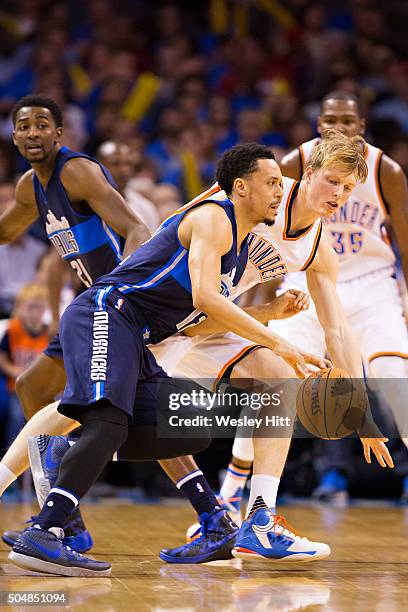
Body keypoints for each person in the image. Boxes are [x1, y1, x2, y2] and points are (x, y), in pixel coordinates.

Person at [8, 143, 328, 576]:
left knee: (188, 426)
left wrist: (269, 313)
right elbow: (205, 298)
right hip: (107, 312)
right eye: (271, 183)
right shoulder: (215, 217)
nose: (279, 191)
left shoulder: (237, 252)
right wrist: (280, 343)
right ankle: (44, 531)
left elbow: (197, 324)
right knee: (107, 420)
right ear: (240, 187)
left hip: (139, 337)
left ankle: (66, 452)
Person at [0, 93, 150, 551]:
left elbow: (137, 228)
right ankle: (69, 517)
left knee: (129, 416)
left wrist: (121, 290)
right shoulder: (31, 186)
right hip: (86, 309)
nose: (32, 133)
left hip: (117, 305)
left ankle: (209, 511)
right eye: (23, 126)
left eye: (42, 125)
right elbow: (5, 232)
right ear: (14, 134)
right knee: (31, 387)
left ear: (59, 133)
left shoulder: (77, 171)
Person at [273, 90, 408, 503]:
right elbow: (269, 238)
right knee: (274, 379)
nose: (339, 128)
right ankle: (234, 493)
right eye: (331, 119)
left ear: (361, 127)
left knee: (392, 377)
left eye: (348, 121)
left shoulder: (386, 169)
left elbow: (405, 241)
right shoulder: (294, 163)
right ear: (319, 124)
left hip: (371, 280)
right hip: (307, 279)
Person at [0, 283, 49, 448]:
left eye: (39, 307)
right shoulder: (12, 330)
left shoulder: (49, 334)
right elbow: (2, 357)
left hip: (41, 391)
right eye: (30, 307)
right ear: (20, 308)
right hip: (16, 388)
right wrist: (15, 371)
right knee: (15, 416)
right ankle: (9, 460)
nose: (35, 313)